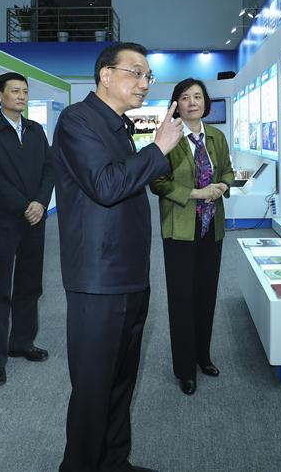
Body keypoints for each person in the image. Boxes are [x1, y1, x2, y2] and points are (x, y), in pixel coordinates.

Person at [52, 42, 182, 472]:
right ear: (105, 75)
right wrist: (158, 148)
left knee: (121, 380)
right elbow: (106, 185)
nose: (145, 84)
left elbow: (131, 182)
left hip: (128, 273)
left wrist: (155, 152)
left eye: (148, 77)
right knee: (93, 387)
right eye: (136, 73)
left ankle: (113, 462)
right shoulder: (78, 120)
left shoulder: (117, 125)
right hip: (98, 278)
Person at [149, 78, 234, 396]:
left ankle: (203, 356)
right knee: (182, 299)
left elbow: (226, 170)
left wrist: (222, 186)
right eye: (185, 97)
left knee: (206, 294)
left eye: (198, 96)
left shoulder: (216, 137)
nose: (192, 102)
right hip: (180, 231)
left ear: (205, 102)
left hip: (212, 229)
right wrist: (197, 192)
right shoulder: (168, 138)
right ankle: (185, 369)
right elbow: (157, 182)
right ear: (177, 104)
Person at [0, 72, 54, 387]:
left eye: (25, 91)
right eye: (14, 91)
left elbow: (50, 168)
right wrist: (24, 204)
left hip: (35, 220)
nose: (21, 96)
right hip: (3, 221)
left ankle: (22, 342)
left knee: (30, 286)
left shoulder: (36, 130)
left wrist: (41, 202)